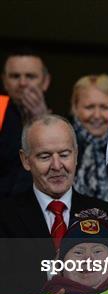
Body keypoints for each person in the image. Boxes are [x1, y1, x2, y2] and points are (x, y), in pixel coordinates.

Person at [0, 114, 108, 294]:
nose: (57, 165)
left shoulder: (107, 216)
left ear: (76, 155)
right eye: (45, 156)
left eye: (64, 154)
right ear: (26, 160)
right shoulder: (4, 217)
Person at [0, 49, 51, 198]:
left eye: (30, 76)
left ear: (45, 82)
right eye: (15, 76)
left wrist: (42, 121)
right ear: (4, 81)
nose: (22, 83)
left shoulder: (59, 121)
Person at [71, 74, 108, 202]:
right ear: (75, 108)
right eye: (89, 107)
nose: (97, 115)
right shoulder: (61, 145)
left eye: (104, 107)